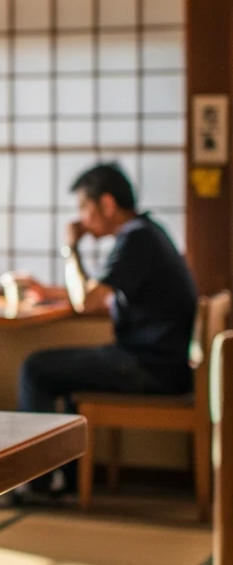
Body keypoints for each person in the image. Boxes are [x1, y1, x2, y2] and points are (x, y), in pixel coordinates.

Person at [11, 162, 197, 499]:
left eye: (84, 206)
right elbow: (98, 294)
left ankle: (37, 482)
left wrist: (70, 247)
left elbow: (87, 300)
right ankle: (61, 482)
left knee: (36, 368)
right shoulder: (148, 232)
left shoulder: (137, 239)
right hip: (162, 362)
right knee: (65, 376)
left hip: (150, 367)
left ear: (107, 204)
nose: (81, 218)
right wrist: (49, 292)